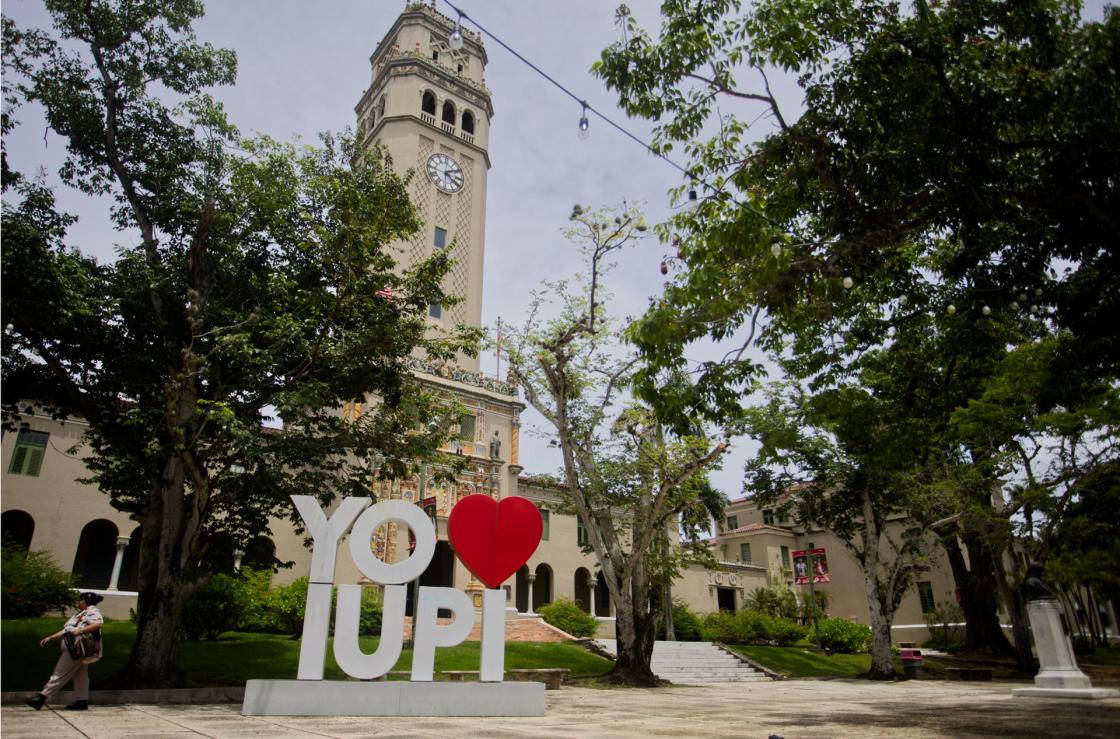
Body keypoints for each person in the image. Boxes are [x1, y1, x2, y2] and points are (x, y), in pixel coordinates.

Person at [25, 591, 105, 711]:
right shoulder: (81, 614)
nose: (79, 602)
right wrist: (51, 637)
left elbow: (98, 624)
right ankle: (82, 701)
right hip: (73, 647)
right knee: (80, 676)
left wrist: (80, 631)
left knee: (60, 672)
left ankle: (41, 697)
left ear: (86, 601)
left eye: (81, 600)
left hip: (76, 649)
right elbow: (67, 630)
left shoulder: (92, 611)